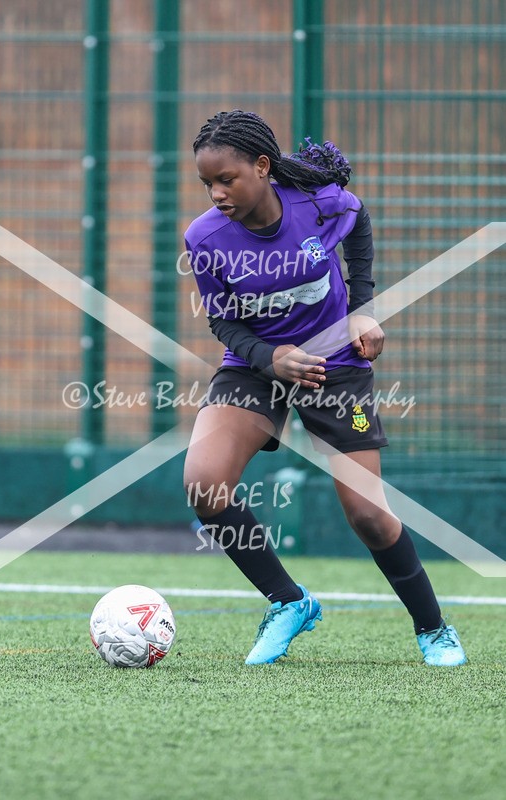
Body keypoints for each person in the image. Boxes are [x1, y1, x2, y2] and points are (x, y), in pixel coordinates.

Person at [183, 109, 466, 667]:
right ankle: (289, 602)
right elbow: (223, 323)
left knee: (367, 514)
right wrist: (272, 358)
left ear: (263, 167)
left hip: (336, 363)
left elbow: (358, 222)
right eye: (206, 183)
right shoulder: (204, 238)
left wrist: (363, 310)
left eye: (226, 179)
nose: (216, 193)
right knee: (203, 484)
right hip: (255, 366)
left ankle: (433, 628)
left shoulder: (321, 203)